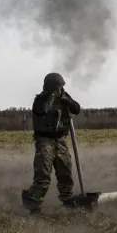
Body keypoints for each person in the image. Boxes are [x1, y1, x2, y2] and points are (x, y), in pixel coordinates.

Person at [21, 72, 82, 214]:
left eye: (61, 87)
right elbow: (45, 109)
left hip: (60, 139)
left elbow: (76, 109)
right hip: (45, 140)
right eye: (58, 87)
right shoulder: (40, 100)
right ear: (51, 87)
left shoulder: (64, 97)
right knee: (43, 176)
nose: (60, 90)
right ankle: (33, 204)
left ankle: (67, 200)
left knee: (65, 171)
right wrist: (53, 97)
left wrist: (67, 100)